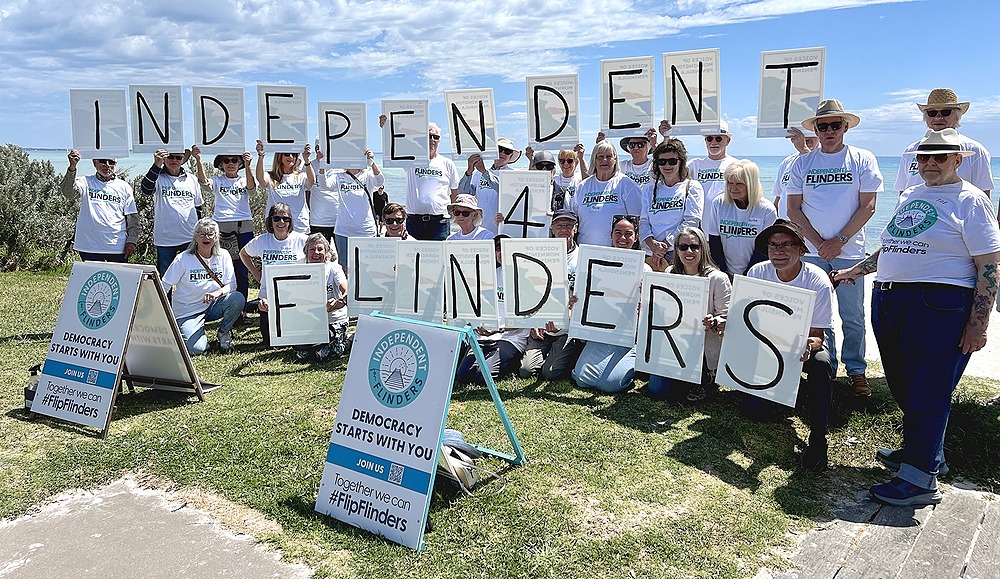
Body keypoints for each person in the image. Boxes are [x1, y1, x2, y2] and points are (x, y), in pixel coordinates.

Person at [834, 128, 1000, 505]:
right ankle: (923, 454)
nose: (928, 164)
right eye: (922, 158)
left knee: (930, 388)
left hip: (939, 303)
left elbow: (989, 264)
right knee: (903, 383)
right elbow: (894, 245)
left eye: (939, 157)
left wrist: (979, 323)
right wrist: (855, 272)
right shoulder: (912, 194)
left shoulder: (970, 201)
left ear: (958, 160)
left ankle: (920, 480)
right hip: (891, 299)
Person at [786, 99, 882, 397]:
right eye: (823, 126)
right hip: (813, 253)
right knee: (816, 316)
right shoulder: (802, 163)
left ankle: (856, 370)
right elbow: (793, 209)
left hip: (850, 255)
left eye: (835, 125)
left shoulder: (862, 158)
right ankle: (823, 367)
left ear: (845, 127)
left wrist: (838, 241)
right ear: (815, 129)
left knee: (852, 315)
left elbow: (869, 205)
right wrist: (818, 243)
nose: (829, 130)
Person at [746, 219, 836, 471]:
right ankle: (790, 391)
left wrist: (809, 345)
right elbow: (747, 318)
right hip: (767, 345)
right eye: (773, 245)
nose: (779, 251)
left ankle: (818, 439)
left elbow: (818, 334)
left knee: (820, 364)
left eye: (787, 244)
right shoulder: (758, 272)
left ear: (801, 249)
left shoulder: (817, 280)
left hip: (802, 346)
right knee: (756, 412)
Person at [647, 226, 731, 402]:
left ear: (703, 249)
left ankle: (706, 377)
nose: (689, 251)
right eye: (683, 247)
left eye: (695, 246)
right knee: (657, 390)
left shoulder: (718, 278)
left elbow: (726, 317)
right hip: (673, 344)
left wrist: (715, 321)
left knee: (682, 394)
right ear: (676, 250)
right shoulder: (670, 273)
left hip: (702, 347)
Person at [571, 215, 649, 393]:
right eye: (618, 233)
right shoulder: (596, 264)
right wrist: (576, 301)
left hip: (631, 336)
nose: (622, 238)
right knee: (582, 379)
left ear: (636, 237)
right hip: (602, 334)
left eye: (628, 234)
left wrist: (643, 306)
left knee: (611, 384)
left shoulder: (646, 270)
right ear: (611, 235)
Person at [161, 218, 245, 356]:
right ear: (195, 237)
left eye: (210, 234)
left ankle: (224, 332)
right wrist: (160, 312)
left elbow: (232, 284)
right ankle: (194, 334)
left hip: (213, 306)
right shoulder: (183, 258)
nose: (206, 238)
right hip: (188, 311)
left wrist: (218, 293)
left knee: (237, 298)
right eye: (202, 234)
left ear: (217, 237)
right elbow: (165, 284)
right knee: (196, 349)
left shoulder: (223, 255)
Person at [456, 235, 531, 384]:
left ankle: (512, 362)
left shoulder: (525, 277)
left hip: (511, 337)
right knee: (463, 376)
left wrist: (499, 329)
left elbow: (525, 318)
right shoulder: (488, 276)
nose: (501, 251)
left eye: (506, 247)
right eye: (498, 247)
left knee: (482, 377)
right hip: (486, 336)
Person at [519, 209, 583, 380]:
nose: (564, 229)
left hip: (568, 329)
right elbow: (531, 292)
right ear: (552, 228)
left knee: (550, 373)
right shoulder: (539, 254)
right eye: (560, 225)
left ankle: (570, 353)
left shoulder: (583, 258)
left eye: (569, 225)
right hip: (542, 327)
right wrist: (533, 323)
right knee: (526, 371)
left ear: (575, 229)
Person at [896, 88, 992, 198]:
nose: (938, 117)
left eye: (945, 112)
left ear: (957, 116)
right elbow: (903, 193)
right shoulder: (911, 150)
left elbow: (983, 196)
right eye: (932, 113)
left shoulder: (975, 150)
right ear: (926, 117)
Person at [192, 147, 255, 311]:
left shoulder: (243, 180)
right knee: (222, 267)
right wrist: (198, 160)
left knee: (242, 269)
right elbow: (204, 183)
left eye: (234, 160)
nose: (230, 164)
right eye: (226, 161)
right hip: (221, 227)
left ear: (239, 163)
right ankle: (222, 305)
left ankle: (241, 308)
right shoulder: (217, 180)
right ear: (220, 164)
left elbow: (252, 189)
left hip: (244, 227)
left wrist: (248, 166)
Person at [379, 116, 459, 240]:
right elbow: (393, 149)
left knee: (438, 257)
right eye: (429, 136)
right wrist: (386, 128)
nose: (432, 139)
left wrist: (456, 216)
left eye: (436, 137)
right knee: (412, 257)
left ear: (439, 141)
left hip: (440, 222)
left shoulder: (447, 163)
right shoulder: (412, 160)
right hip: (414, 221)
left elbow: (454, 192)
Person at [239, 202, 309, 345]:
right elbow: (243, 254)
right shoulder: (262, 240)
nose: (281, 222)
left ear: (290, 221)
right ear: (270, 221)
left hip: (296, 299)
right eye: (276, 218)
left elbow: (323, 255)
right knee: (270, 341)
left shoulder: (302, 240)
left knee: (295, 339)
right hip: (269, 299)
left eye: (285, 219)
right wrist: (257, 274)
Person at [60, 150, 139, 262]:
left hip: (116, 246)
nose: (107, 165)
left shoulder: (124, 187)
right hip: (89, 246)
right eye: (102, 161)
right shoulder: (85, 182)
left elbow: (133, 218)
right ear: (94, 162)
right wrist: (72, 167)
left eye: (111, 162)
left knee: (118, 279)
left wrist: (131, 241)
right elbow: (68, 193)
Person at [314, 147, 385, 271]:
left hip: (366, 230)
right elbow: (324, 185)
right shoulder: (339, 176)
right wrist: (322, 164)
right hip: (343, 230)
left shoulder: (367, 175)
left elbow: (380, 181)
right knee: (345, 268)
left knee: (366, 268)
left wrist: (371, 162)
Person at [639, 138, 704, 271]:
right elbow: (644, 221)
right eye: (662, 162)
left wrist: (666, 244)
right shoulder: (648, 190)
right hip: (650, 253)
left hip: (677, 253)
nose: (667, 165)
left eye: (672, 161)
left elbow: (691, 222)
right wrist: (652, 244)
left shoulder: (692, 187)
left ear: (681, 162)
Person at [665, 119, 738, 235]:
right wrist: (666, 138)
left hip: (727, 228)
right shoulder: (694, 164)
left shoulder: (736, 165)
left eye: (718, 138)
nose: (713, 142)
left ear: (728, 140)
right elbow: (668, 171)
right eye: (709, 138)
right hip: (699, 230)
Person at [706, 159, 777, 277]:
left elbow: (763, 249)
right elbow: (714, 241)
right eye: (729, 183)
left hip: (755, 273)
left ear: (751, 184)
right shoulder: (718, 203)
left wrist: (746, 276)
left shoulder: (767, 210)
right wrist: (724, 273)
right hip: (724, 271)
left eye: (739, 184)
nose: (733, 188)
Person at [140, 148, 204, 276]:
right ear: (164, 159)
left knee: (191, 275)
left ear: (183, 160)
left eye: (178, 157)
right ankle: (165, 297)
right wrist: (156, 165)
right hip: (165, 239)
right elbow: (146, 189)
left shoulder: (191, 179)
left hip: (189, 237)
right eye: (170, 157)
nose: (174, 160)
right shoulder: (157, 177)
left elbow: (198, 207)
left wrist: (200, 234)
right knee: (164, 277)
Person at [567, 140, 642, 247]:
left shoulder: (627, 185)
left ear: (615, 159)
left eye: (609, 156)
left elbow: (638, 222)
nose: (604, 160)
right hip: (584, 249)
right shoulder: (582, 186)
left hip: (615, 251)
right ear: (594, 159)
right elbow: (573, 217)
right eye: (600, 157)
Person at [292, 233, 350, 362]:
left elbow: (345, 288)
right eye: (312, 249)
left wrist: (341, 301)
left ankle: (348, 341)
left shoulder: (334, 268)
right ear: (306, 251)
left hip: (334, 319)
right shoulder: (297, 267)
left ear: (327, 252)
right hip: (310, 321)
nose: (316, 253)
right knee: (302, 355)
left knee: (323, 355)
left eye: (320, 249)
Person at [458, 137, 520, 235]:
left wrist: (484, 172)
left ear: (511, 155)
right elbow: (463, 194)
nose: (502, 153)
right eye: (500, 149)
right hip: (480, 228)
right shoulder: (478, 174)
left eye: (507, 151)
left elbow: (504, 190)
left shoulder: (513, 174)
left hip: (502, 227)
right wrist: (469, 171)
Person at [255, 140, 314, 234]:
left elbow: (311, 182)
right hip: (278, 226)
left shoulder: (301, 176)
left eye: (294, 155)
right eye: (287, 154)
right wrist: (261, 156)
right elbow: (260, 179)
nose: (291, 157)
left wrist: (307, 160)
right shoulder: (271, 176)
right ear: (279, 156)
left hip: (299, 226)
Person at [772, 127, 819, 219]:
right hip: (787, 227)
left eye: (810, 134)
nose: (806, 138)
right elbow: (779, 195)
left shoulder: (825, 160)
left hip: (811, 228)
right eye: (802, 134)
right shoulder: (787, 162)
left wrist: (804, 150)